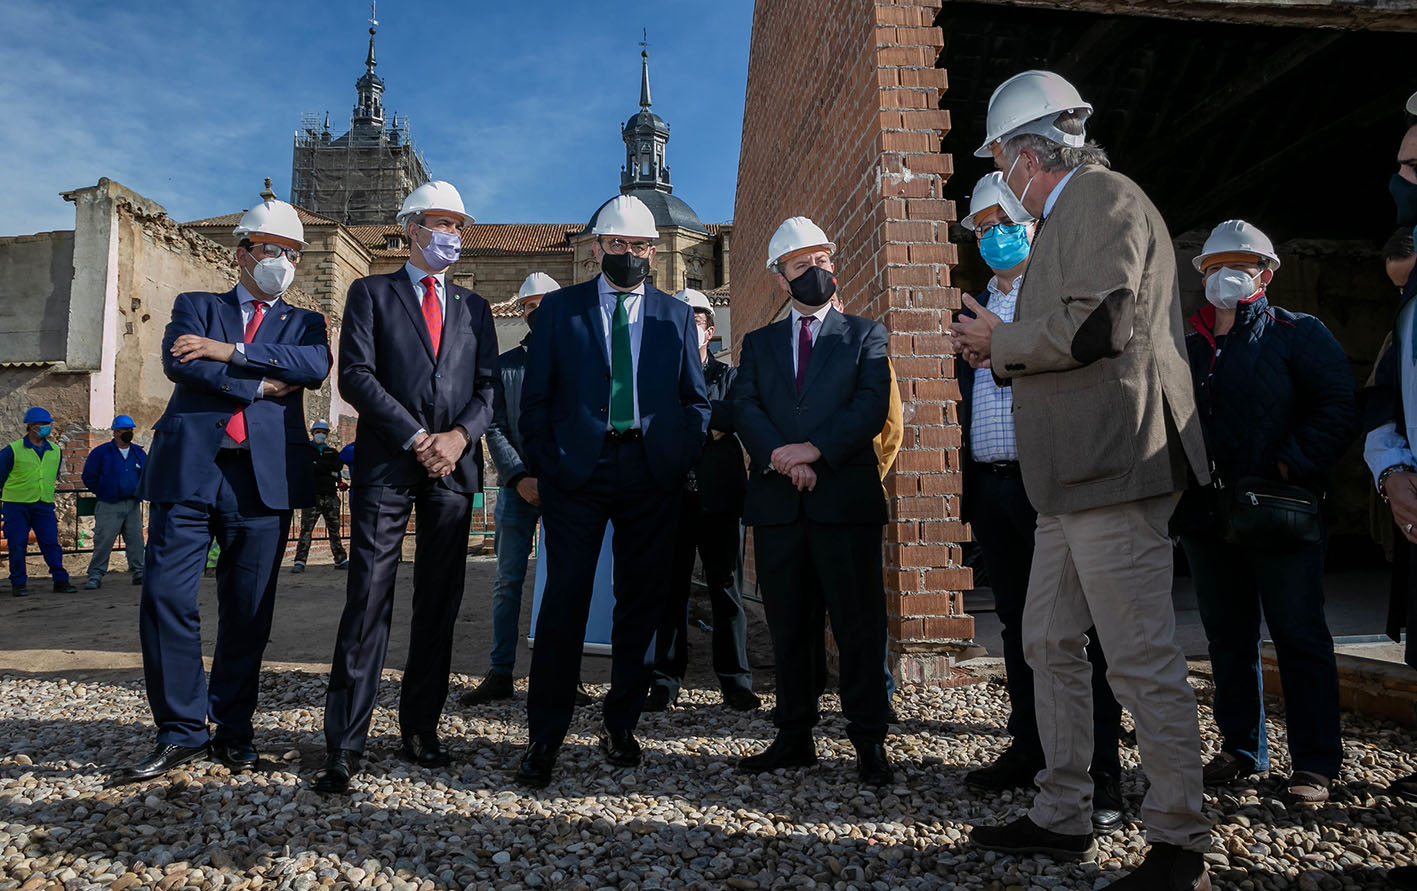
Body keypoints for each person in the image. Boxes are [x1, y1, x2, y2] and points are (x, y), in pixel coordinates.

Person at [952, 71, 1212, 888]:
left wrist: (997, 340)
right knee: (1047, 642)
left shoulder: (1100, 198)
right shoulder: (1064, 212)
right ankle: (1061, 812)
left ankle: (1179, 840)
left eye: (1000, 154)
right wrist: (1004, 339)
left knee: (1136, 656)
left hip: (1112, 462)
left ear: (1028, 154)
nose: (1000, 169)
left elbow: (1099, 323)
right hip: (1066, 478)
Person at [113, 192, 330, 784]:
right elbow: (182, 363)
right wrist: (259, 385)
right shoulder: (195, 304)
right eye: (270, 249)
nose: (280, 261)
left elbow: (311, 367)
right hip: (191, 470)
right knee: (166, 597)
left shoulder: (307, 321)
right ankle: (181, 730)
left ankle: (233, 729)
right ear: (241, 253)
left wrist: (229, 351)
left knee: (248, 611)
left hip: (264, 482)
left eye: (291, 253)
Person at [515, 195, 710, 787]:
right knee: (564, 602)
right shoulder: (559, 311)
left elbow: (695, 400)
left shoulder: (674, 316)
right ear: (598, 247)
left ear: (655, 250)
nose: (631, 255)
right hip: (578, 475)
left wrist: (675, 457)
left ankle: (621, 722)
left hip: (651, 477)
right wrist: (550, 464)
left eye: (642, 246)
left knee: (640, 603)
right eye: (620, 244)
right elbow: (536, 400)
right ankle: (545, 735)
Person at [315, 181, 499, 794]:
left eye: (459, 224)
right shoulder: (372, 292)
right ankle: (344, 742)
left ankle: (422, 727)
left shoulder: (474, 308)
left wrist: (459, 438)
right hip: (389, 467)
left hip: (452, 469)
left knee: (439, 600)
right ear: (412, 228)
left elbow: (489, 387)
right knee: (368, 598)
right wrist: (419, 437)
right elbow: (358, 377)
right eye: (442, 222)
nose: (453, 233)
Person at [955, 172, 1126, 833]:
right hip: (995, 485)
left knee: (1079, 633)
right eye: (982, 225)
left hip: (1049, 483)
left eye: (1006, 219)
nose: (994, 233)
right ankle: (1029, 747)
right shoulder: (970, 308)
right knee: (1022, 629)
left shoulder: (1058, 296)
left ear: (1031, 223)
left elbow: (1084, 360)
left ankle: (1100, 772)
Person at [1175, 220, 1356, 804]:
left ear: (1267, 273)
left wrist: (1287, 465)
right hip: (1209, 516)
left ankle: (1316, 763)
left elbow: (1336, 405)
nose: (1228, 273)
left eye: (1243, 263)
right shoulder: (1190, 342)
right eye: (1215, 264)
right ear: (1201, 274)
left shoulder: (1297, 332)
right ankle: (1242, 747)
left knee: (1298, 635)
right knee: (1227, 636)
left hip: (1279, 513)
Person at [733, 216, 894, 787]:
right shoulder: (758, 344)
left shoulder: (866, 335)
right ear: (781, 278)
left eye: (823, 261)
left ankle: (869, 738)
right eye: (802, 266)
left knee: (858, 625)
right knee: (789, 627)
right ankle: (794, 734)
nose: (817, 272)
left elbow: (870, 407)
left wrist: (813, 451)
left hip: (843, 502)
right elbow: (744, 407)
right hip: (780, 508)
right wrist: (781, 455)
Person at [461, 271, 591, 709]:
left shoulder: (582, 362)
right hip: (519, 489)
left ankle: (562, 674)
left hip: (567, 488)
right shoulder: (505, 366)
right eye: (530, 307)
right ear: (522, 311)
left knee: (564, 583)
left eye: (545, 304)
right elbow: (493, 425)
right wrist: (518, 477)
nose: (538, 313)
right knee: (508, 581)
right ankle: (500, 672)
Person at [645, 288, 759, 713]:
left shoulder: (729, 376)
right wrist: (707, 423)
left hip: (720, 498)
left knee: (726, 591)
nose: (686, 325)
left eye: (694, 319)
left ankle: (735, 681)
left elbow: (736, 416)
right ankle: (666, 679)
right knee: (669, 592)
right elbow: (653, 426)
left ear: (710, 331)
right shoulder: (656, 378)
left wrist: (695, 418)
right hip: (671, 497)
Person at [1, 407, 75, 597]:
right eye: (43, 424)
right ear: (31, 427)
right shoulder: (12, 450)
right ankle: (18, 583)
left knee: (51, 542)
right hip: (16, 504)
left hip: (43, 504)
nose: (46, 428)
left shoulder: (55, 451)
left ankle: (60, 580)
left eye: (48, 424)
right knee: (17, 544)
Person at [81, 414, 147, 589]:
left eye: (131, 430)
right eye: (125, 430)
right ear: (116, 432)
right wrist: (104, 490)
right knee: (104, 540)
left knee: (135, 540)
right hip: (109, 504)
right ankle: (96, 574)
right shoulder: (101, 453)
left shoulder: (138, 453)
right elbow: (89, 476)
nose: (129, 433)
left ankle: (139, 571)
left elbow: (146, 475)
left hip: (132, 504)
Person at [292, 419, 348, 573]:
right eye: (318, 432)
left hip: (330, 495)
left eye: (323, 433)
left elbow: (337, 465)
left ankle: (340, 558)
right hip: (312, 496)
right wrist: (325, 468)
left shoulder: (332, 452)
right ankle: (300, 561)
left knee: (334, 529)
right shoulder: (307, 451)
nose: (321, 435)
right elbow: (307, 467)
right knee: (306, 530)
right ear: (313, 433)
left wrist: (319, 465)